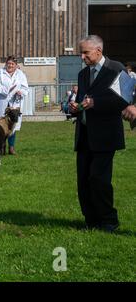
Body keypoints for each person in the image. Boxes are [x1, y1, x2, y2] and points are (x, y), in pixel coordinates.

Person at [69, 35, 129, 233]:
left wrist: (96, 103)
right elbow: (81, 100)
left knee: (99, 179)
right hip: (85, 133)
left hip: (105, 135)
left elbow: (124, 100)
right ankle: (91, 220)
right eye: (81, 52)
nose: (82, 56)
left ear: (98, 51)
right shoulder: (83, 74)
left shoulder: (116, 69)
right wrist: (75, 107)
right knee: (83, 179)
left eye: (85, 52)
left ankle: (108, 220)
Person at [0, 55, 29, 155]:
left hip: (15, 103)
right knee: (0, 126)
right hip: (2, 101)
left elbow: (25, 88)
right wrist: (8, 90)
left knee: (12, 126)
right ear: (6, 64)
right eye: (9, 63)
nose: (10, 65)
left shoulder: (20, 74)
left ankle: (11, 148)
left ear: (16, 65)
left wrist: (20, 92)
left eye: (12, 64)